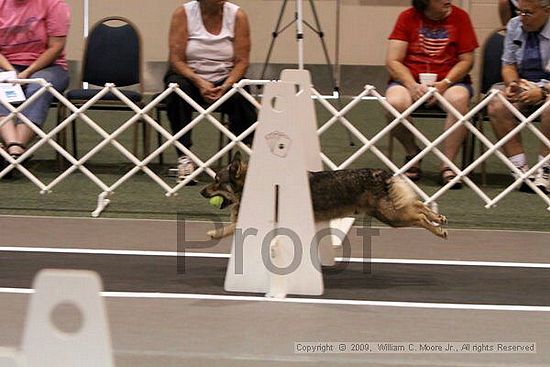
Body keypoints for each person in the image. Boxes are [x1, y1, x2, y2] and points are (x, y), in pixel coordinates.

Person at [385, 0, 479, 188]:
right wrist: (411, 85)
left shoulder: (461, 17)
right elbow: (393, 60)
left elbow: (467, 61)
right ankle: (413, 153)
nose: (448, 1)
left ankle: (448, 164)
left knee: (459, 99)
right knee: (394, 102)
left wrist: (444, 83)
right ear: (425, 3)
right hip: (411, 80)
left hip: (450, 81)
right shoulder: (407, 17)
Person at [164, 0, 257, 184]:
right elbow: (176, 59)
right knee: (176, 91)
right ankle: (185, 157)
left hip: (226, 78)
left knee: (241, 94)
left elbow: (242, 61)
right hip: (190, 77)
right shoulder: (182, 14)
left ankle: (250, 153)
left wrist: (227, 84)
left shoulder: (238, 16)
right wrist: (199, 82)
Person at [0, 0, 71, 178]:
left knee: (39, 87)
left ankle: (14, 150)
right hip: (7, 64)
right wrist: (9, 71)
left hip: (49, 66)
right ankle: (14, 148)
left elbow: (56, 46)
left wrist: (29, 72)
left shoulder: (54, 4)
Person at [488, 0, 550, 194]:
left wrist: (543, 91)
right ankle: (521, 171)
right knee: (497, 104)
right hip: (524, 83)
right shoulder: (515, 25)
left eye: (528, 13)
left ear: (547, 11)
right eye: (519, 12)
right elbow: (508, 65)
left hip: (547, 87)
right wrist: (513, 83)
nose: (522, 18)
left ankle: (545, 171)